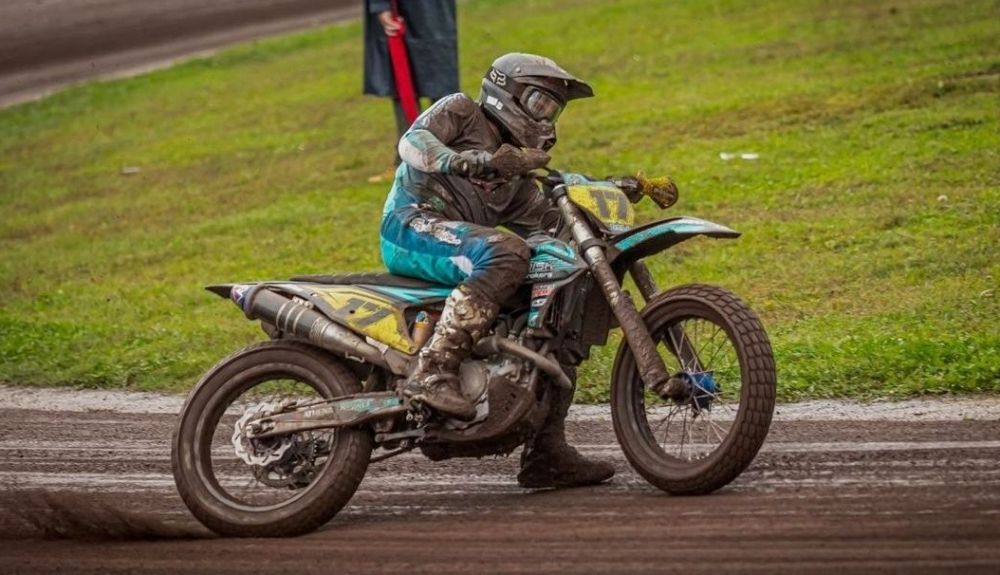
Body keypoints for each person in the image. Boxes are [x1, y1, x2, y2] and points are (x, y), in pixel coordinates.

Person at [379, 53, 616, 489]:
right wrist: (462, 161)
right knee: (508, 251)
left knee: (559, 281)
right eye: (540, 103)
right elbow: (412, 142)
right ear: (506, 91)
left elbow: (548, 223)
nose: (546, 117)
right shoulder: (460, 110)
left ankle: (546, 452)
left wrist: (598, 209)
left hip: (462, 243)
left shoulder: (515, 179)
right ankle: (434, 369)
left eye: (553, 110)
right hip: (411, 225)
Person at [363, 0, 458, 171]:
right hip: (404, 10)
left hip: (427, 11)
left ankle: (448, 150)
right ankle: (411, 156)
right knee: (403, 76)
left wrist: (380, 6)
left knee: (439, 75)